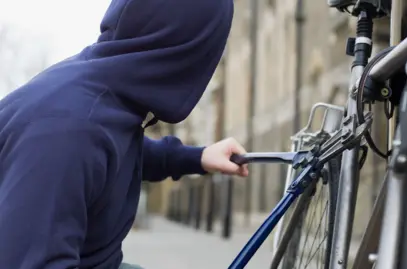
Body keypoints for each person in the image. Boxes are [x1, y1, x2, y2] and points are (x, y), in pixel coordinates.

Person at [0, 0, 246, 268]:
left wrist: (196, 157)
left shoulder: (105, 88)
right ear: (185, 51)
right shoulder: (66, 130)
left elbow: (112, 153)